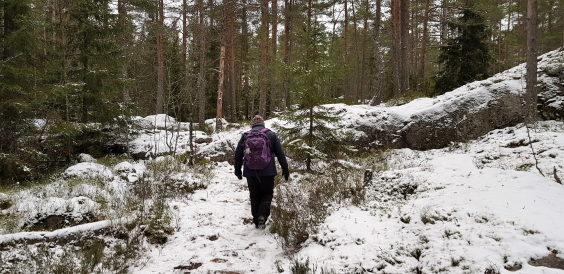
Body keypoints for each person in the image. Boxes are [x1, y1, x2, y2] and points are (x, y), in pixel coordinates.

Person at [234, 115, 289, 229]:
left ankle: (256, 219)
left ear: (252, 124)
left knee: (254, 195)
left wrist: (238, 170)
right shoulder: (271, 135)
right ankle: (262, 215)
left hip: (251, 171)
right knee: (267, 194)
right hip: (268, 171)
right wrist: (285, 168)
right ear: (263, 124)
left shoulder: (245, 136)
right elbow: (280, 154)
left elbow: (238, 155)